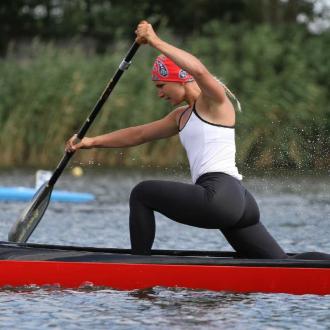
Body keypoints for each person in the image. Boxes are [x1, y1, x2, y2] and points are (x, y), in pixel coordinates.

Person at [66, 20, 288, 259]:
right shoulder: (180, 116)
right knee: (280, 265)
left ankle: (138, 268)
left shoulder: (214, 103)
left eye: (161, 85)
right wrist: (89, 142)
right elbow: (138, 134)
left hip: (220, 195)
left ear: (180, 78)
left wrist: (154, 41)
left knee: (142, 193)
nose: (159, 93)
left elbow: (200, 71)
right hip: (240, 203)